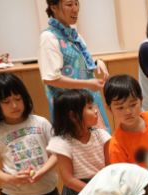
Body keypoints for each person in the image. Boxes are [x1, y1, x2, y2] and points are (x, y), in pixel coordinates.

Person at [46, 89, 111, 195]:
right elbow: (68, 179)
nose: (96, 110)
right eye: (89, 107)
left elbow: (110, 167)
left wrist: (105, 188)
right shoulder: (62, 142)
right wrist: (92, 190)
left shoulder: (101, 135)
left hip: (102, 186)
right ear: (73, 115)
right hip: (79, 193)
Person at [38, 0, 111, 131]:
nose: (75, 9)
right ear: (54, 7)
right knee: (79, 146)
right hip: (70, 109)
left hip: (88, 102)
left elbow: (78, 62)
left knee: (99, 143)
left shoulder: (74, 34)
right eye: (69, 4)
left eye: (76, 3)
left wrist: (97, 61)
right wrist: (87, 83)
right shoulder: (49, 37)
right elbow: (50, 79)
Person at [103, 74, 148, 195]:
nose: (128, 111)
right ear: (108, 108)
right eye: (120, 107)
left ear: (141, 100)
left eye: (133, 104)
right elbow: (125, 183)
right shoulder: (116, 144)